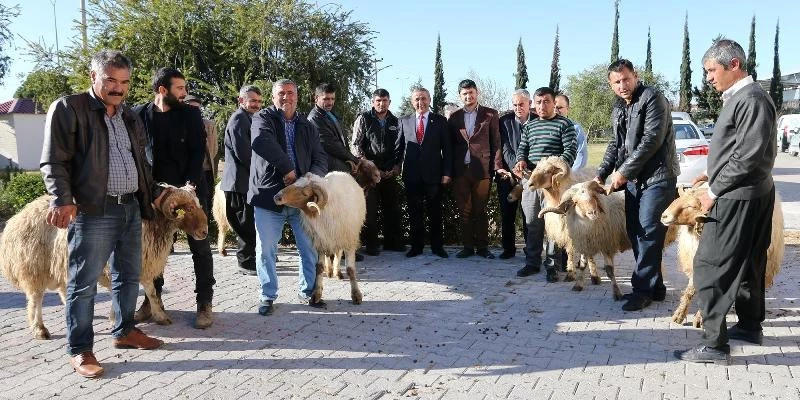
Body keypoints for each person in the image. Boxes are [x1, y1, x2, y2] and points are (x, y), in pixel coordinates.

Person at [41, 50, 164, 379]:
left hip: (130, 207)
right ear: (93, 77)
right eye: (110, 79)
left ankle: (125, 332)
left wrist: (152, 195)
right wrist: (61, 198)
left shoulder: (129, 116)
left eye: (124, 82)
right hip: (94, 209)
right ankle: (80, 349)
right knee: (83, 284)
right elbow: (54, 160)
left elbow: (141, 162)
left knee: (128, 276)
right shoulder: (70, 108)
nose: (117, 88)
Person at [675, 39, 777, 364]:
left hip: (737, 197)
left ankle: (714, 345)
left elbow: (748, 156)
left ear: (734, 65)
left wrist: (713, 190)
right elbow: (737, 149)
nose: (708, 77)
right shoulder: (743, 98)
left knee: (709, 266)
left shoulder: (751, 99)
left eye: (711, 70)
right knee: (749, 263)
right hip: (748, 192)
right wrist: (710, 173)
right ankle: (749, 326)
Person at [133, 67, 216, 329]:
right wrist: (150, 191)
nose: (185, 93)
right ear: (162, 90)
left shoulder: (191, 115)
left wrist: (189, 186)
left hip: (189, 191)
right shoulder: (137, 115)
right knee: (155, 248)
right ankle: (152, 301)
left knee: (200, 246)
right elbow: (135, 155)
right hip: (155, 196)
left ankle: (204, 303)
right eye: (179, 88)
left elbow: (196, 153)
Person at [594, 59, 679, 311]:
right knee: (636, 233)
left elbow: (651, 141)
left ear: (635, 76)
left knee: (648, 232)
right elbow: (615, 144)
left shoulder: (653, 99)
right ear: (611, 85)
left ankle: (642, 290)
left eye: (626, 79)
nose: (623, 85)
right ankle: (657, 287)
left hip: (658, 177)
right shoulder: (619, 107)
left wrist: (622, 172)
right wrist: (602, 173)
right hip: (635, 181)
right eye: (617, 82)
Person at [249, 79, 327, 316]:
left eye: (291, 93)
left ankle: (309, 292)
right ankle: (268, 295)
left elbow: (320, 157)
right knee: (266, 250)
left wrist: (309, 180)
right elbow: (261, 142)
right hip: (268, 195)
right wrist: (288, 169)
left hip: (302, 200)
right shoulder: (262, 118)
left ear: (297, 96)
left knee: (309, 248)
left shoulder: (307, 124)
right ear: (274, 97)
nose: (286, 97)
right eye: (281, 93)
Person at [513, 87, 576, 282]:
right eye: (538, 102)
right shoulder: (530, 126)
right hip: (531, 181)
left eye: (546, 101)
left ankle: (552, 266)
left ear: (553, 102)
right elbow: (522, 148)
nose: (542, 106)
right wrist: (521, 160)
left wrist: (554, 168)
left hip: (554, 185)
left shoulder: (564, 124)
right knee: (532, 223)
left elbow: (570, 152)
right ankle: (532, 263)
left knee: (554, 226)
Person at [307, 82, 364, 261]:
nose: (330, 102)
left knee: (341, 212)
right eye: (326, 99)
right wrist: (354, 160)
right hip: (327, 170)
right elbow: (328, 144)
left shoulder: (329, 114)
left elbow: (339, 142)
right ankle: (331, 253)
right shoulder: (315, 117)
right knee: (331, 214)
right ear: (316, 98)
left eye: (332, 98)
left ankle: (343, 249)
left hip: (336, 167)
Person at [447, 79, 501, 259]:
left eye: (471, 92)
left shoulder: (490, 114)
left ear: (477, 93)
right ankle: (468, 247)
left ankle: (483, 248)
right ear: (460, 96)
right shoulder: (454, 117)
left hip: (482, 170)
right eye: (464, 94)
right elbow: (449, 146)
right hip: (461, 170)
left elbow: (496, 143)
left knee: (481, 210)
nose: (468, 96)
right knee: (464, 210)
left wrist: (496, 166)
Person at [396, 87, 452, 258]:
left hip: (434, 175)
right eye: (417, 99)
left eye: (423, 99)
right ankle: (416, 247)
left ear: (429, 100)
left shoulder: (440, 121)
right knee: (414, 213)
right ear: (412, 102)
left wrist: (447, 173)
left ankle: (437, 247)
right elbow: (399, 148)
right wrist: (396, 167)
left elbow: (447, 149)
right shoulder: (404, 121)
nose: (420, 102)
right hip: (412, 175)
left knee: (435, 212)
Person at [350, 88, 405, 255]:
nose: (382, 104)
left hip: (389, 173)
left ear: (389, 102)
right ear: (373, 102)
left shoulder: (396, 121)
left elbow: (400, 147)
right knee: (370, 210)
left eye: (385, 100)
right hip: (368, 174)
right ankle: (372, 245)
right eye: (378, 101)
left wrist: (396, 166)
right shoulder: (364, 118)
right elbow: (356, 145)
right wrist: (371, 167)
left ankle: (392, 243)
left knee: (392, 209)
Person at [220, 85, 263, 275]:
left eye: (259, 102)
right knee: (244, 223)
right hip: (239, 183)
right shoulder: (238, 120)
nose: (256, 105)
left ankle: (251, 259)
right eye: (252, 100)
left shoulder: (249, 119)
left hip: (246, 182)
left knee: (249, 221)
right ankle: (245, 263)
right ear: (241, 101)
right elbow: (244, 154)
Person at [495, 89, 536, 259]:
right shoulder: (504, 121)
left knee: (530, 216)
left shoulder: (537, 121)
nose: (518, 107)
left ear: (529, 104)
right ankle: (508, 249)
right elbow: (504, 147)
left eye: (521, 104)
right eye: (515, 104)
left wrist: (526, 171)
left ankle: (531, 250)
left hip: (531, 176)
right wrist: (516, 168)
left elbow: (536, 148)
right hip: (508, 176)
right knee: (507, 214)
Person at [184, 95, 218, 209]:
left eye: (197, 108)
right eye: (191, 108)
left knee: (205, 204)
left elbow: (214, 149)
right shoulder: (179, 125)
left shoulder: (209, 125)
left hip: (205, 170)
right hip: (186, 173)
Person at [555, 94, 588, 170]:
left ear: (567, 109)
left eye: (559, 108)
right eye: (553, 107)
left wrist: (571, 176)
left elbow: (581, 154)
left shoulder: (576, 128)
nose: (555, 111)